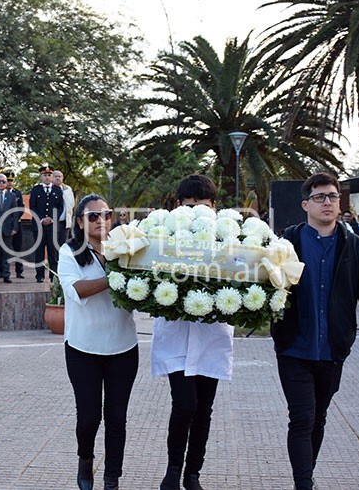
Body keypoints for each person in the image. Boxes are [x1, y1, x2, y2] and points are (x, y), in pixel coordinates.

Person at [273, 172, 359, 490]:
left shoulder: (353, 246)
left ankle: (306, 475)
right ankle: (304, 484)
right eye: (320, 197)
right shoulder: (287, 244)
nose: (327, 202)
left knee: (318, 417)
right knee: (301, 416)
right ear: (305, 204)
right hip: (293, 348)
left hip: (333, 349)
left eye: (332, 197)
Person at [154, 175, 232, 490]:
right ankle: (173, 470)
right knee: (185, 403)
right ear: (178, 207)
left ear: (214, 206)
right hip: (176, 333)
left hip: (212, 336)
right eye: (189, 207)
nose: (196, 213)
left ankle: (192, 474)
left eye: (202, 207)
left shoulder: (229, 237)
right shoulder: (165, 237)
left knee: (204, 408)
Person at [58, 194, 137, 490]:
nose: (101, 220)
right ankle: (85, 461)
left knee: (117, 417)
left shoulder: (124, 249)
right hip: (83, 348)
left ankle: (111, 477)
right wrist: (117, 277)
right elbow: (77, 289)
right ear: (80, 221)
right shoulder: (69, 252)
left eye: (106, 214)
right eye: (93, 216)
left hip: (123, 346)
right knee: (89, 416)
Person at [29, 165, 64, 283]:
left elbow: (60, 207)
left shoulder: (57, 190)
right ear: (41, 176)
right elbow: (32, 207)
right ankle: (39, 275)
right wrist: (41, 219)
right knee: (39, 252)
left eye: (49, 175)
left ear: (52, 176)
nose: (47, 177)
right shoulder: (35, 190)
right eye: (45, 175)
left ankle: (53, 276)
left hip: (53, 227)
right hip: (39, 226)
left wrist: (52, 219)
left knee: (53, 253)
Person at [6, 172, 26, 279]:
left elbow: (21, 208)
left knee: (18, 249)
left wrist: (15, 219)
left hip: (16, 224)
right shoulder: (2, 193)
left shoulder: (17, 193)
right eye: (8, 180)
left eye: (11, 180)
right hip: (5, 224)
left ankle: (19, 271)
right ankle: (5, 271)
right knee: (5, 249)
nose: (9, 183)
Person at [54, 169, 75, 248]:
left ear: (62, 178)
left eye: (59, 176)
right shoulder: (50, 189)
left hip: (65, 222)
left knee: (63, 244)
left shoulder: (68, 189)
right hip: (54, 221)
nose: (58, 178)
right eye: (56, 176)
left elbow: (72, 204)